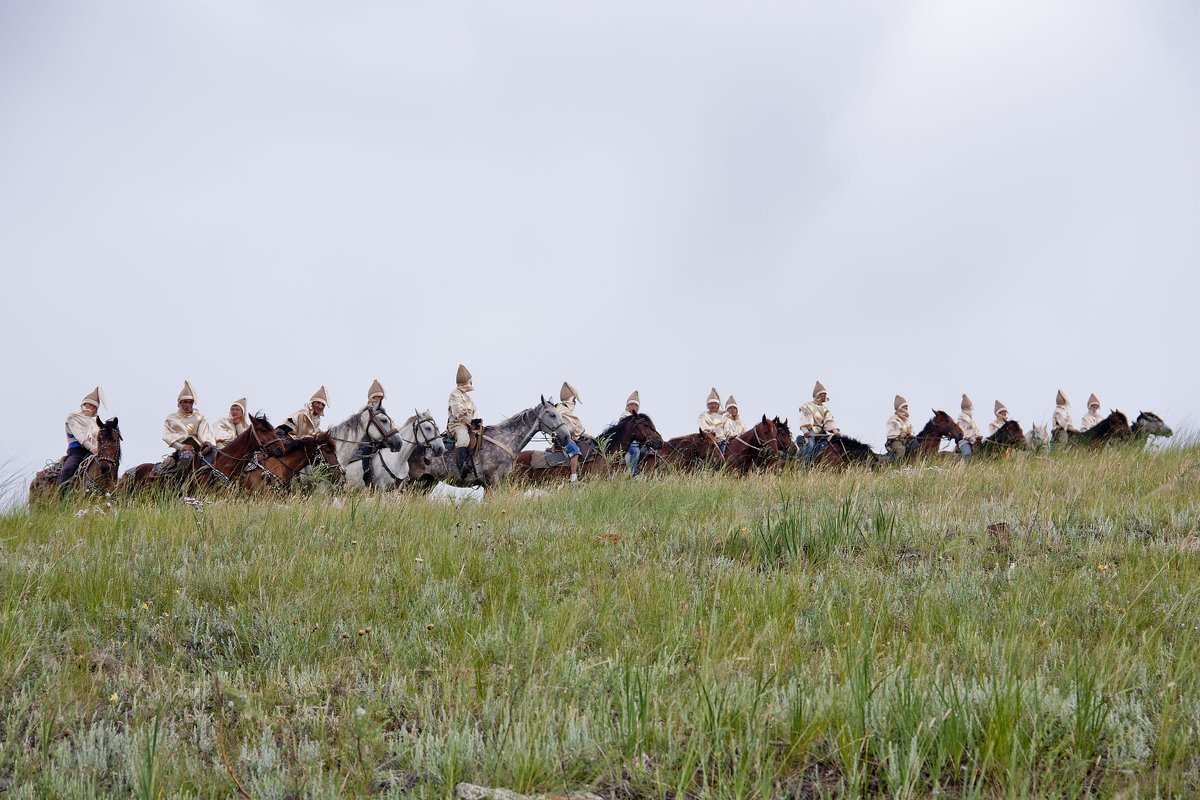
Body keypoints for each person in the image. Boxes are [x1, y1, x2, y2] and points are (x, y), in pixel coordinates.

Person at [163, 381, 215, 470]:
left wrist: (206, 442)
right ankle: (179, 481)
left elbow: (203, 434)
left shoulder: (199, 417)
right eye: (185, 402)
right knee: (187, 456)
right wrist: (183, 447)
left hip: (201, 448)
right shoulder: (172, 418)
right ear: (180, 403)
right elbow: (168, 437)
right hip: (184, 450)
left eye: (190, 402)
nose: (188, 405)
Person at [58, 386, 102, 488]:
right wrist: (92, 448)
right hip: (77, 451)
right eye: (90, 404)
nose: (91, 408)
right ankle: (60, 494)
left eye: (94, 406)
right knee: (68, 468)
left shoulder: (95, 424)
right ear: (84, 403)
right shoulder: (73, 417)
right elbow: (80, 435)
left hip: (94, 453)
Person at [448, 364, 478, 479]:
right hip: (457, 424)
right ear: (467, 382)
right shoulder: (454, 395)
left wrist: (476, 421)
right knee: (463, 438)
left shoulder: (467, 397)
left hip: (469, 424)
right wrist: (469, 419)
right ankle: (462, 466)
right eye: (470, 381)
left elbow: (474, 410)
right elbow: (457, 412)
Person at [799, 381, 839, 463]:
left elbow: (829, 420)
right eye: (823, 394)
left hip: (821, 432)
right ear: (819, 395)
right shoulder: (807, 406)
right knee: (810, 446)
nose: (825, 396)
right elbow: (804, 419)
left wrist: (835, 431)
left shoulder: (825, 409)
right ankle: (803, 466)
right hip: (811, 431)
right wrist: (805, 431)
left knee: (830, 446)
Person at [556, 381, 588, 482]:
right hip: (564, 438)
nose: (574, 402)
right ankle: (573, 478)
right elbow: (574, 428)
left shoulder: (558, 407)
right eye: (574, 400)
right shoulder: (564, 410)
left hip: (559, 437)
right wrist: (583, 434)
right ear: (571, 399)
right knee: (575, 452)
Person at [620, 391, 643, 475]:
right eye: (632, 404)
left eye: (636, 405)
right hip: (627, 440)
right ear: (628, 406)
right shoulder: (624, 415)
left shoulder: (639, 417)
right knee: (635, 450)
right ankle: (633, 473)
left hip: (637, 440)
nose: (634, 406)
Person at [884, 395, 913, 461]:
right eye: (904, 406)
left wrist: (911, 435)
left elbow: (911, 430)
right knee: (901, 449)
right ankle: (896, 465)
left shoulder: (906, 420)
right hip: (896, 441)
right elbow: (890, 434)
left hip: (907, 440)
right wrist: (901, 435)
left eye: (906, 406)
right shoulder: (893, 420)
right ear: (899, 407)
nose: (906, 407)